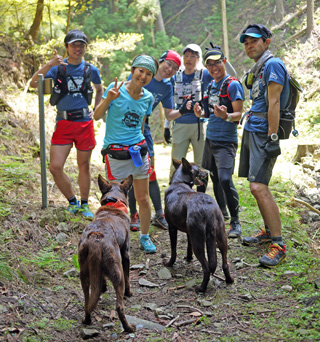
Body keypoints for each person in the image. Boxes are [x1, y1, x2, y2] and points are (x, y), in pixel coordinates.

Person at [30, 29, 103, 219]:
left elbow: (99, 87)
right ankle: (72, 201)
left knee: (84, 165)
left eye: (81, 45)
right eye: (74, 45)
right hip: (63, 123)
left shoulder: (90, 69)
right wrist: (49, 64)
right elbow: (33, 84)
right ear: (67, 47)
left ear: (85, 47)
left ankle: (85, 204)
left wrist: (96, 107)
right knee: (55, 166)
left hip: (84, 123)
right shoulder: (58, 69)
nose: (77, 49)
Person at [94, 54, 159, 254]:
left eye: (149, 73)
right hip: (115, 153)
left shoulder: (148, 98)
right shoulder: (115, 90)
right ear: (133, 70)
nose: (144, 76)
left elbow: (140, 125)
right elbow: (96, 115)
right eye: (141, 71)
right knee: (116, 199)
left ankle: (145, 237)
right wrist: (108, 99)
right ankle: (114, 235)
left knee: (143, 198)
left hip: (138, 152)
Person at [238, 24, 289, 267]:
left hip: (263, 134)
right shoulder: (258, 68)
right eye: (246, 42)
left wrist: (272, 137)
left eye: (254, 41)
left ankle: (278, 244)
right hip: (253, 129)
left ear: (266, 42)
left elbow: (275, 101)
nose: (249, 45)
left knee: (259, 187)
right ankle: (268, 231)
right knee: (255, 185)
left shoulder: (273, 65)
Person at [127, 50, 183, 231]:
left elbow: (169, 113)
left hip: (145, 128)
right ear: (161, 61)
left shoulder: (167, 86)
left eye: (174, 68)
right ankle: (133, 214)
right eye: (168, 64)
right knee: (131, 172)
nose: (170, 69)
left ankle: (159, 214)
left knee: (149, 170)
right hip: (127, 125)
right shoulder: (141, 75)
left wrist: (185, 110)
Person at [193, 45, 244, 238]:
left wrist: (226, 116)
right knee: (214, 176)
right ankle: (222, 214)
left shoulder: (232, 84)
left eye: (217, 63)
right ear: (206, 68)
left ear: (224, 62)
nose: (214, 68)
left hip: (226, 141)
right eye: (210, 65)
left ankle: (236, 221)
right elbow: (209, 112)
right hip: (211, 139)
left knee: (224, 179)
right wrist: (201, 113)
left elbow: (239, 114)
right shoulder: (211, 86)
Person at [167, 44, 212, 191]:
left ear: (198, 59)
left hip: (200, 125)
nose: (189, 59)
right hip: (180, 124)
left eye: (193, 56)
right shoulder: (176, 76)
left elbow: (227, 74)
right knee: (177, 162)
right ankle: (176, 193)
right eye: (186, 55)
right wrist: (167, 126)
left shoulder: (204, 74)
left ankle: (201, 196)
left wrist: (221, 59)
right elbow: (170, 103)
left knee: (201, 164)